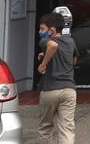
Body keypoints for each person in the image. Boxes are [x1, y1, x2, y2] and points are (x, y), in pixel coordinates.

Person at [36, 12, 77, 143]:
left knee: (45, 127)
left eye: (42, 29)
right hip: (69, 90)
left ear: (52, 30)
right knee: (66, 128)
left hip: (50, 89)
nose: (40, 31)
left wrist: (43, 65)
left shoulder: (46, 40)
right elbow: (74, 60)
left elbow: (53, 46)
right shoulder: (70, 41)